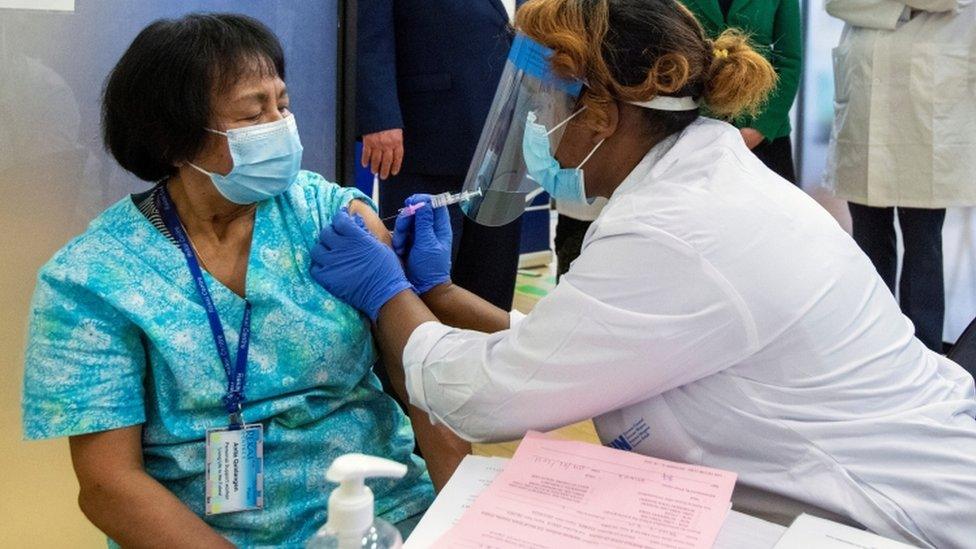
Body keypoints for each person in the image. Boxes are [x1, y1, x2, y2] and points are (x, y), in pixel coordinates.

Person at [308, 1, 976, 547]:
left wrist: (387, 290)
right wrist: (441, 292)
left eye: (541, 106)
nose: (535, 125)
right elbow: (582, 347)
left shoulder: (676, 228)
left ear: (600, 115)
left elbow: (485, 396)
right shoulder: (692, 179)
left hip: (897, 515)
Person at [20, 14, 469, 548]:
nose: (281, 124)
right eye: (255, 112)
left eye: (282, 104)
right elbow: (109, 484)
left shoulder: (331, 218)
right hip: (203, 532)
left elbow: (422, 379)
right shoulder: (92, 280)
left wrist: (462, 516)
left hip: (379, 513)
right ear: (173, 139)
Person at [824, 0, 976, 353]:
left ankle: (923, 350)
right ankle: (870, 343)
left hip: (926, 120)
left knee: (924, 243)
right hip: (865, 108)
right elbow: (837, 3)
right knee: (868, 240)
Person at [356, 0, 526, 310]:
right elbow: (367, 32)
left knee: (492, 289)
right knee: (421, 288)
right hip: (428, 135)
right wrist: (379, 116)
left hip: (508, 140)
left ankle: (486, 356)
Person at [682, 0, 802, 184]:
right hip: (695, 125)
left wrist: (761, 127)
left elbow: (789, 62)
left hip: (763, 128)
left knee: (773, 210)